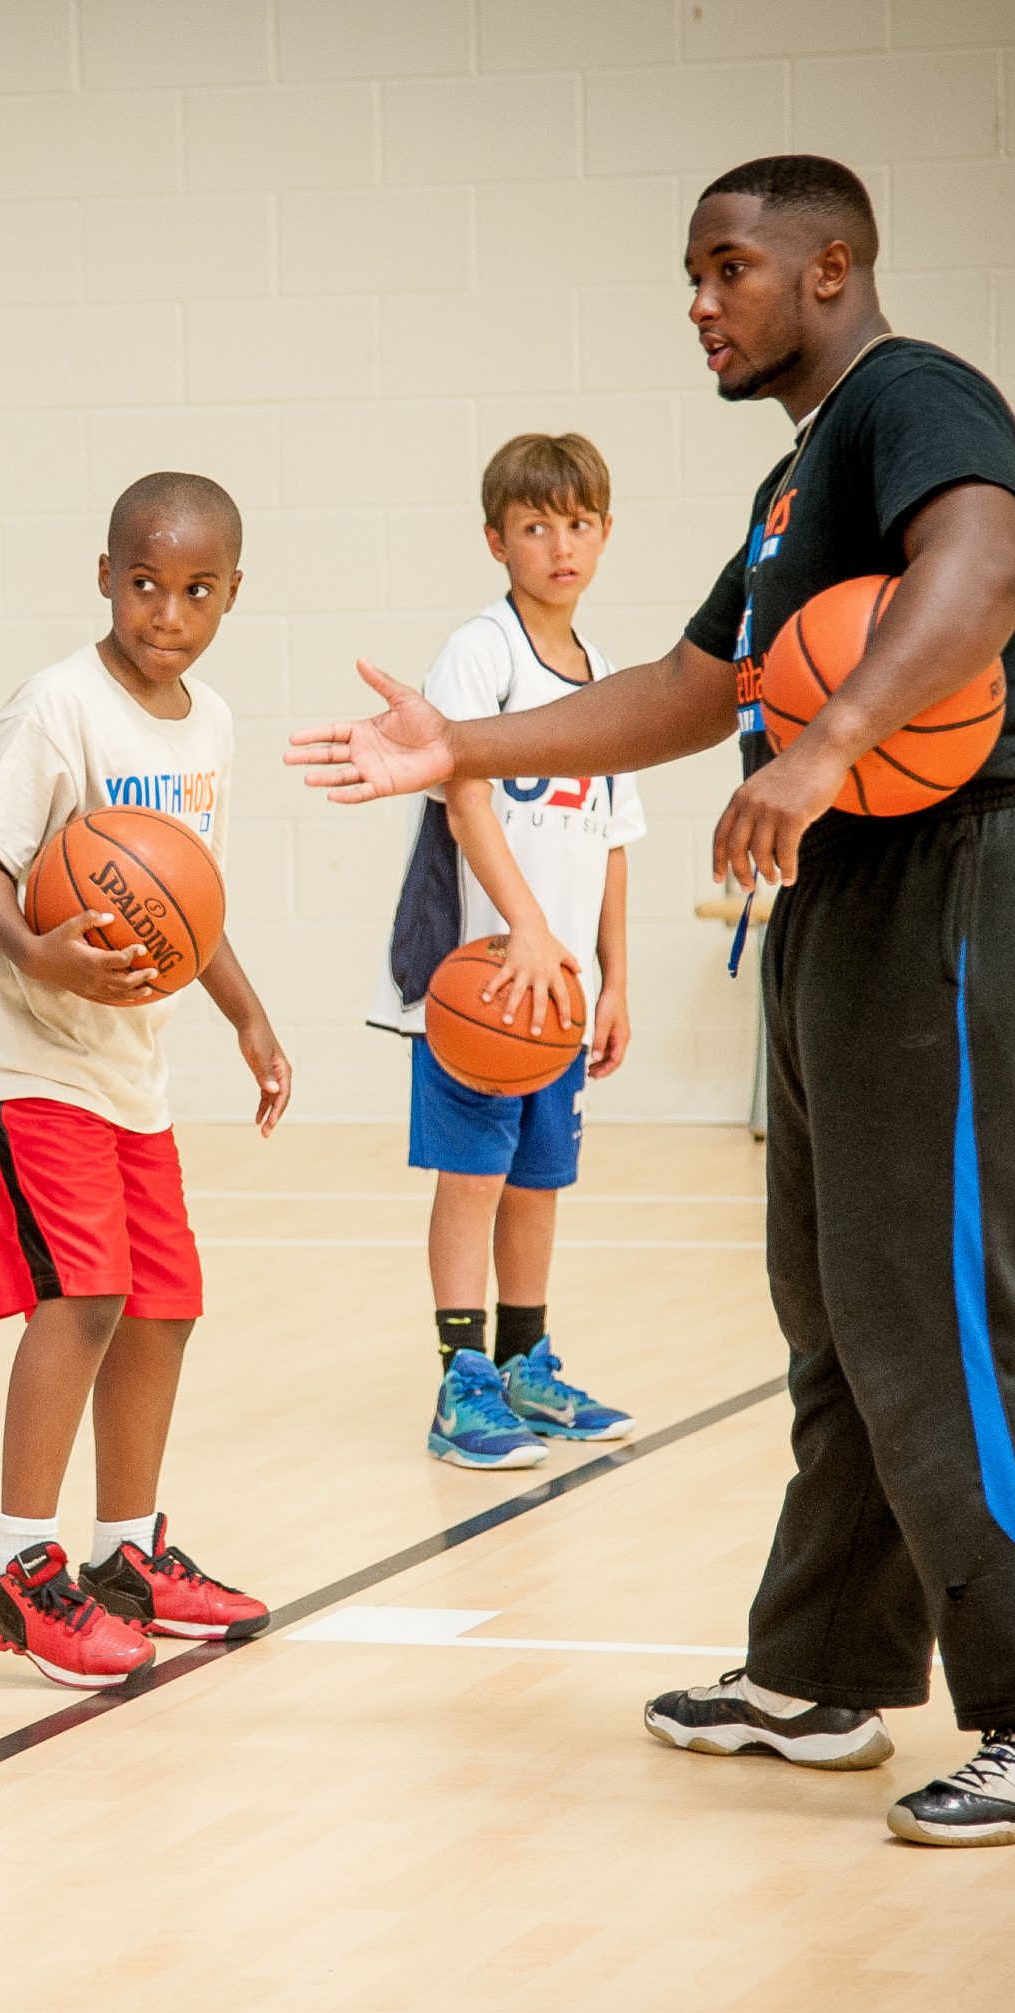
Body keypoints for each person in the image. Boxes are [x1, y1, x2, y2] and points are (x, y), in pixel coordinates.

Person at [289, 157, 1015, 1849]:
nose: (701, 299)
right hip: (850, 895)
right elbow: (691, 686)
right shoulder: (791, 483)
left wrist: (827, 746)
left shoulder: (916, 396)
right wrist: (463, 744)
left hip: (963, 874)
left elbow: (983, 565)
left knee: (950, 1307)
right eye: (692, 272)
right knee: (839, 1303)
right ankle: (823, 1666)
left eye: (728, 268)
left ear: (832, 266)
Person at [0, 472, 291, 1690]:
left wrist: (247, 1018)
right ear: (104, 576)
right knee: (79, 1298)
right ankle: (18, 1573)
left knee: (164, 1302)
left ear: (233, 594)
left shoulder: (214, 727)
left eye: (195, 591)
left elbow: (192, 907)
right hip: (20, 1051)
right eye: (144, 584)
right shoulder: (57, 708)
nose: (166, 613)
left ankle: (127, 1557)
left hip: (126, 1068)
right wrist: (35, 948)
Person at [367, 432, 642, 1471]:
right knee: (471, 1180)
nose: (559, 545)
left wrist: (615, 977)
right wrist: (525, 926)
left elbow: (616, 834)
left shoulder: (609, 677)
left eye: (577, 524)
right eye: (535, 526)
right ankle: (460, 1384)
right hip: (475, 977)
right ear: (497, 541)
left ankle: (526, 1363)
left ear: (605, 535)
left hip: (560, 990)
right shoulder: (480, 652)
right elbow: (462, 790)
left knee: (537, 1182)